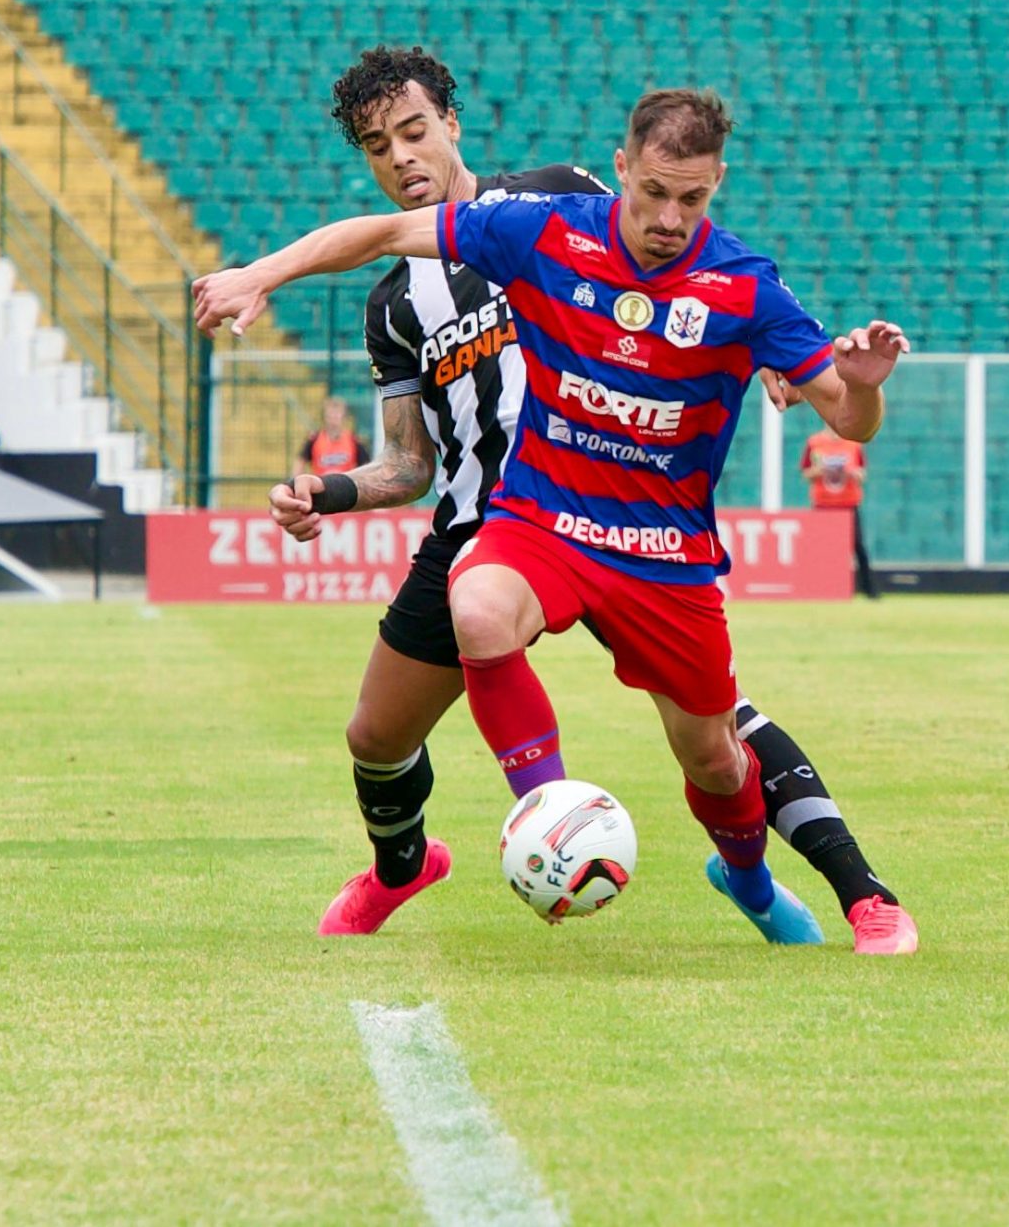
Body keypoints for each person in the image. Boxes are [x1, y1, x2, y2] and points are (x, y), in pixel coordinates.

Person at [230, 52, 917, 954]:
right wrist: (331, 487)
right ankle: (449, 853)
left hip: (645, 527)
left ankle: (798, 882)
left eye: (414, 132)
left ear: (451, 125)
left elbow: (692, 282)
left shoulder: (556, 202)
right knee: (376, 731)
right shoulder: (400, 301)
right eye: (378, 146)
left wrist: (783, 362)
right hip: (514, 518)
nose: (400, 157)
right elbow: (408, 462)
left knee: (717, 741)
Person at [798, 423, 879, 599]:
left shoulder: (853, 443)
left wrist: (852, 473)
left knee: (858, 546)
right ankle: (817, 587)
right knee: (819, 549)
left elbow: (862, 473)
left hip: (848, 502)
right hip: (823, 503)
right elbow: (805, 473)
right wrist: (820, 470)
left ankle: (869, 590)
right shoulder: (815, 443)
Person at [300, 396, 368, 477]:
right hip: (321, 486)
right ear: (324, 417)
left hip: (345, 486)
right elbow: (300, 462)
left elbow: (366, 466)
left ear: (344, 417)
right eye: (330, 415)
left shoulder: (353, 440)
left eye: (337, 415)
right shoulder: (314, 439)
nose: (333, 419)